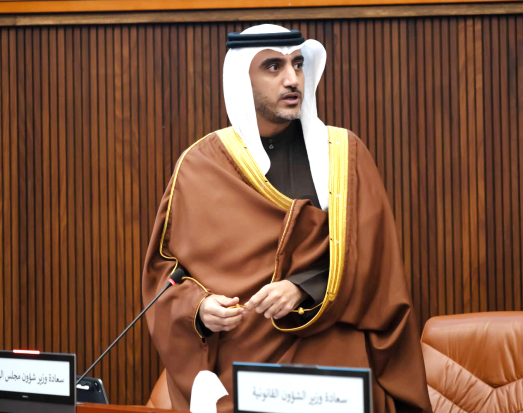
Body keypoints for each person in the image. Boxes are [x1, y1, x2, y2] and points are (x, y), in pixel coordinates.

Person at [142, 24, 432, 413]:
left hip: (330, 358)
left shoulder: (342, 154)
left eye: (298, 64)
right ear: (242, 78)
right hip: (240, 371)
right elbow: (163, 275)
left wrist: (302, 288)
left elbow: (375, 264)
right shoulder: (200, 165)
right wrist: (199, 308)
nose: (293, 79)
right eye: (273, 67)